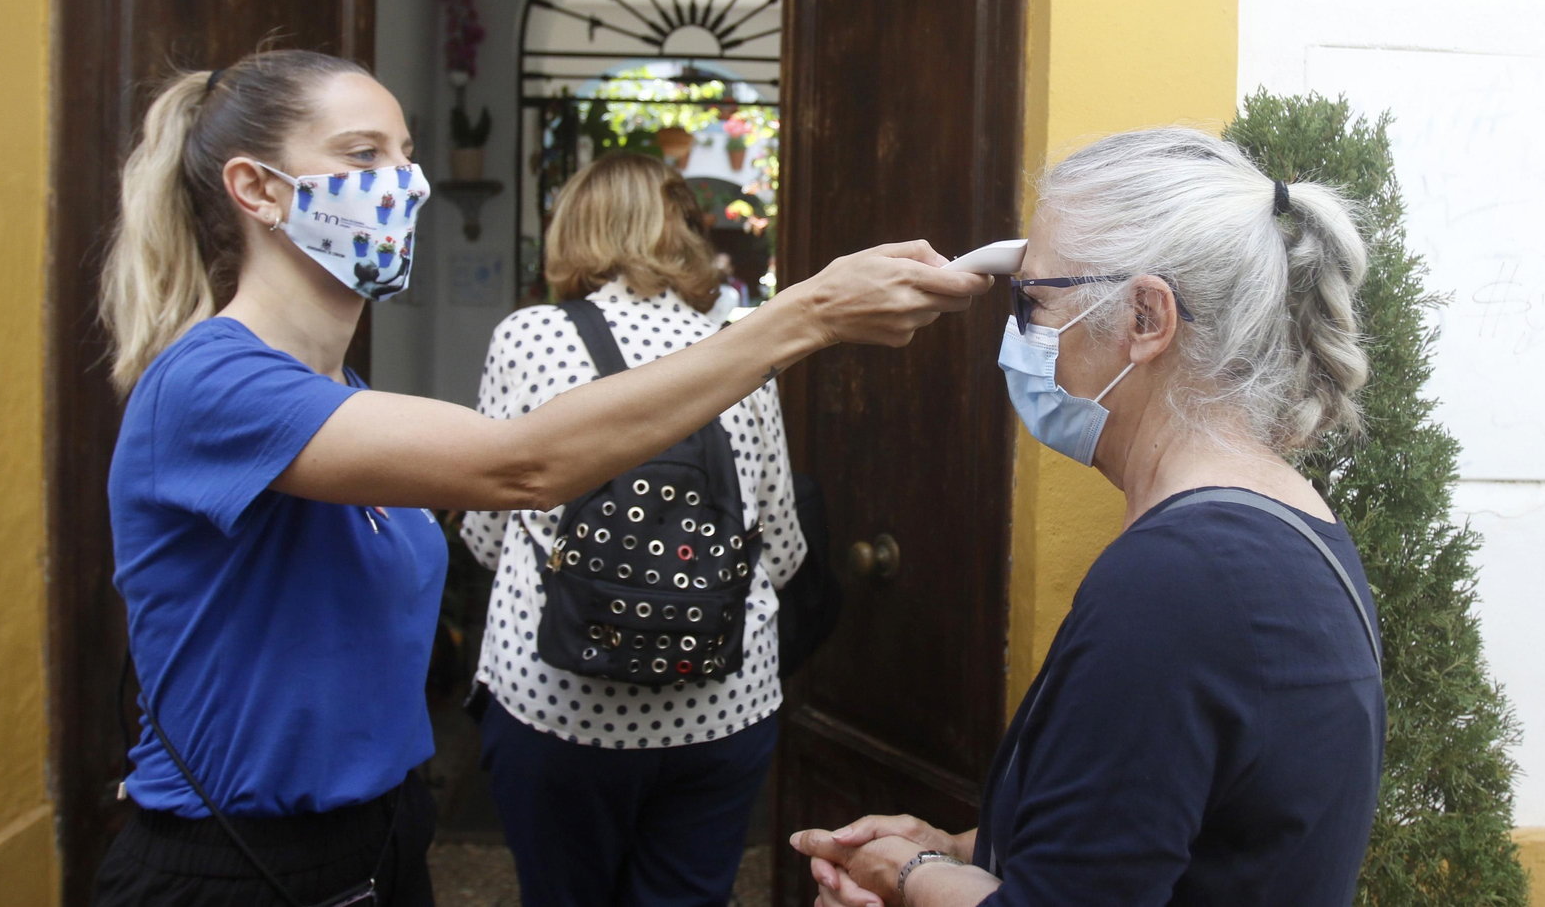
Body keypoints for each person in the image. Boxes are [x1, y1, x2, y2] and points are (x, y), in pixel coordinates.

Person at [91, 48, 991, 907]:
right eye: (363, 155)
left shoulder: (344, 395)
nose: (405, 183)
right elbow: (521, 464)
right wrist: (805, 315)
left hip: (384, 834)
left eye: (408, 154)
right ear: (256, 189)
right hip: (233, 859)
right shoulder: (212, 383)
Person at [791, 127, 1387, 907]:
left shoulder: (1181, 580)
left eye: (1033, 300)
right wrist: (957, 848)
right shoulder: (1278, 527)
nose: (1020, 335)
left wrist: (903, 879)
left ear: (1146, 317)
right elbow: (1158, 831)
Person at [459, 152, 799, 906]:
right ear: (681, 231)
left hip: (557, 710)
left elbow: (484, 532)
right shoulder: (739, 352)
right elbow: (777, 547)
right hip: (721, 706)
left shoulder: (529, 337)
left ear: (572, 230)